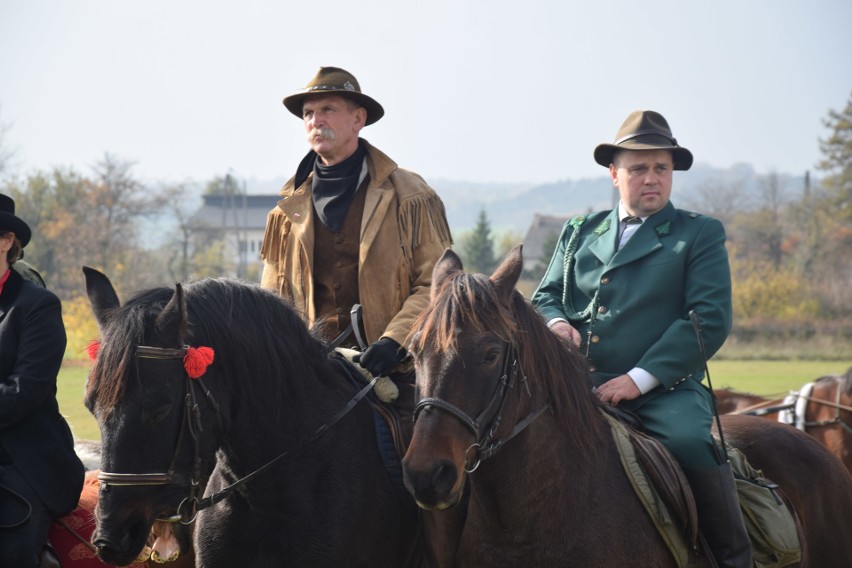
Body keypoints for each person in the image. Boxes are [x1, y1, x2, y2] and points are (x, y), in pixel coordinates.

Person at [532, 110, 751, 568]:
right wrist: (555, 324)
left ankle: (731, 557)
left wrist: (639, 378)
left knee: (693, 440)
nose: (651, 178)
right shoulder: (579, 231)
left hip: (663, 392)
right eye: (638, 169)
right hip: (574, 385)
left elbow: (707, 319)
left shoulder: (698, 234)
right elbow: (545, 296)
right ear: (615, 174)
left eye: (661, 169)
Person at [260, 66, 452, 404]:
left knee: (419, 456)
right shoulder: (285, 213)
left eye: (328, 110)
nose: (315, 120)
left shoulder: (410, 196)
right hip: (310, 378)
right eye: (308, 113)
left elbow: (438, 284)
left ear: (358, 119)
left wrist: (395, 341)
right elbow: (270, 304)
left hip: (397, 373)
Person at [0, 194, 85, 567]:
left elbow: (26, 389)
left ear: (6, 241)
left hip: (22, 458)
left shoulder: (37, 306)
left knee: (12, 550)